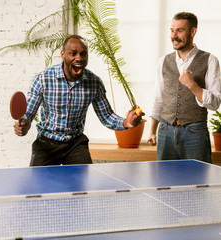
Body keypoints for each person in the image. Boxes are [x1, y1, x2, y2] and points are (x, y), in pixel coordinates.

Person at [14, 34, 144, 166]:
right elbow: (28, 113)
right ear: (63, 54)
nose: (79, 58)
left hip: (75, 144)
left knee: (82, 185)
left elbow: (107, 116)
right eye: (73, 53)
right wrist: (24, 124)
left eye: (83, 54)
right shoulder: (42, 79)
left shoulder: (94, 83)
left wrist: (126, 122)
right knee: (38, 186)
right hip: (47, 143)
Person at [147, 12, 221, 163]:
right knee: (164, 181)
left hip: (195, 133)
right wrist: (152, 131)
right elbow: (159, 98)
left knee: (198, 182)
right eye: (172, 30)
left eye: (179, 30)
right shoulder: (163, 61)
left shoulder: (210, 60)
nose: (174, 35)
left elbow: (215, 103)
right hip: (165, 131)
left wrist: (192, 85)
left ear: (193, 31)